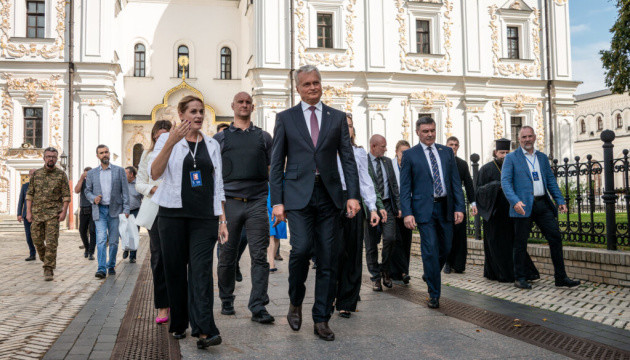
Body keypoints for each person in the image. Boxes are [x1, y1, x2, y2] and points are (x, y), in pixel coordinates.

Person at [270, 65, 361, 341]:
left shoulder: (336, 118)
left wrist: (353, 195)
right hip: (297, 196)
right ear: (298, 88)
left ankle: (321, 318)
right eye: (306, 84)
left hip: (330, 196)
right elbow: (276, 163)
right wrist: (277, 202)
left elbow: (347, 158)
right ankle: (295, 300)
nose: (312, 87)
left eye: (316, 83)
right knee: (301, 250)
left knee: (328, 258)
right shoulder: (285, 118)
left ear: (322, 85)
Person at [149, 95, 227, 348]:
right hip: (172, 215)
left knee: (201, 271)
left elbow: (218, 184)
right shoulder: (165, 139)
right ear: (181, 115)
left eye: (201, 111)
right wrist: (171, 141)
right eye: (193, 111)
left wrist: (222, 219)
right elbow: (155, 173)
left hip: (204, 217)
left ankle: (204, 329)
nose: (198, 116)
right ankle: (179, 322)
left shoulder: (213, 144)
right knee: (174, 271)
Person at [214, 92, 274, 324]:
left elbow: (272, 170)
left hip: (258, 201)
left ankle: (258, 306)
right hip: (230, 202)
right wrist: (218, 211)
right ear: (233, 105)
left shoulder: (264, 137)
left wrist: (276, 200)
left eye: (248, 102)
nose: (244, 105)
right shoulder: (220, 139)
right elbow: (214, 174)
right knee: (227, 255)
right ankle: (226, 298)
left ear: (252, 107)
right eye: (240, 101)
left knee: (260, 256)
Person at [501, 126, 581, 290]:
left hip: (542, 204)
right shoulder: (511, 158)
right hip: (522, 206)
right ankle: (520, 278)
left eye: (530, 136)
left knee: (555, 238)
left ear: (535, 137)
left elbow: (550, 181)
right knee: (520, 243)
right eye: (524, 137)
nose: (527, 139)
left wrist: (560, 200)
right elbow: (506, 183)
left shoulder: (542, 158)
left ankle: (560, 277)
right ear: (519, 139)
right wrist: (515, 201)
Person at [400, 116, 465, 309]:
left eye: (432, 131)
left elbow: (455, 182)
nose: (430, 134)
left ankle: (430, 272)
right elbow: (405, 187)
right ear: (418, 132)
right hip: (423, 209)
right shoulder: (410, 155)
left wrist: (459, 207)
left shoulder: (446, 152)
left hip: (445, 207)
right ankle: (434, 294)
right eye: (425, 131)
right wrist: (407, 212)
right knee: (430, 249)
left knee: (446, 247)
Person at [335, 113, 380, 317]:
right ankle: (330, 295)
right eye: (344, 125)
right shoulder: (327, 151)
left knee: (353, 252)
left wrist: (372, 207)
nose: (347, 129)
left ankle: (347, 301)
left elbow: (365, 181)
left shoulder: (359, 152)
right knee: (333, 252)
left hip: (354, 200)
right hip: (332, 202)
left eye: (350, 126)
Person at [476, 138, 539, 283]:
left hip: (511, 212)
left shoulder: (514, 166)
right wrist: (495, 186)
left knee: (513, 244)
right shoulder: (486, 169)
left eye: (507, 152)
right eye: (501, 152)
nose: (504, 155)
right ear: (495, 153)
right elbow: (478, 191)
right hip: (494, 213)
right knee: (496, 245)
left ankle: (519, 273)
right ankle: (500, 274)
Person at [136, 120, 172, 324]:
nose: (161, 141)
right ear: (153, 137)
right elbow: (139, 183)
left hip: (176, 208)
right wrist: (152, 189)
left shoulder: (178, 152)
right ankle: (162, 305)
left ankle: (178, 299)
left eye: (166, 137)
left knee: (176, 256)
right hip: (155, 210)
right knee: (158, 257)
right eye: (158, 137)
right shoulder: (147, 155)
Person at [85, 144, 130, 279]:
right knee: (101, 239)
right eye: (101, 153)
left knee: (115, 241)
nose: (104, 154)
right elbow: (87, 191)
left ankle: (111, 265)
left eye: (106, 152)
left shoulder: (119, 171)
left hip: (115, 210)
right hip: (100, 211)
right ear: (97, 156)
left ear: (109, 154)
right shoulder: (92, 173)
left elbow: (125, 191)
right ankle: (101, 268)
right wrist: (94, 198)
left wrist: (126, 208)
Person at [25, 147, 70, 281]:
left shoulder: (61, 175)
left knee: (51, 242)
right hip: (37, 213)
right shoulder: (37, 174)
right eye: (48, 156)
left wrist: (64, 212)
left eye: (53, 157)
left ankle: (48, 268)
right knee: (37, 240)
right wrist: (28, 211)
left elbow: (66, 195)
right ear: (44, 158)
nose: (51, 158)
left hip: (53, 214)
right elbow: (30, 194)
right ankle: (47, 260)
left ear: (56, 159)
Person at [365, 134, 401, 291]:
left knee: (390, 238)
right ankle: (375, 277)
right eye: (383, 146)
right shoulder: (363, 162)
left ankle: (384, 269)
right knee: (371, 244)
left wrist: (398, 206)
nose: (386, 149)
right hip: (370, 207)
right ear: (373, 146)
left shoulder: (387, 162)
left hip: (387, 205)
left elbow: (393, 184)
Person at [444, 136, 477, 274]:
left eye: (456, 144)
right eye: (451, 144)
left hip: (458, 204)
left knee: (459, 235)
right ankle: (447, 262)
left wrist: (473, 203)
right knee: (447, 235)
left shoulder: (462, 164)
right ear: (446, 146)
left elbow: (469, 184)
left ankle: (459, 265)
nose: (453, 147)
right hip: (444, 203)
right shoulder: (441, 162)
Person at [389, 140, 412, 284]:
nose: (404, 155)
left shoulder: (410, 166)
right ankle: (401, 271)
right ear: (396, 152)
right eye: (402, 152)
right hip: (392, 209)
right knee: (395, 240)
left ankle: (404, 270)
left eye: (407, 152)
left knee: (406, 240)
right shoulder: (390, 165)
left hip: (408, 209)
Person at [75, 167, 96, 260]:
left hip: (93, 208)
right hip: (83, 209)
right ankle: (87, 248)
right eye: (85, 174)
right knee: (82, 230)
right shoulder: (82, 182)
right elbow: (76, 190)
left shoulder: (95, 182)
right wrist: (81, 178)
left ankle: (91, 252)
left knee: (92, 231)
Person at [123, 166, 143, 263]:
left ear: (131, 174)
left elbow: (144, 197)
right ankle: (126, 248)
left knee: (134, 233)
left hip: (135, 211)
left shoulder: (139, 184)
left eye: (125, 173)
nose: (124, 175)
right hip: (124, 211)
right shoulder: (123, 184)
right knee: (124, 231)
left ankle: (132, 256)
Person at [17, 169, 37, 261]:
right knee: (29, 236)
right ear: (29, 176)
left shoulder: (41, 186)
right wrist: (19, 214)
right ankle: (32, 253)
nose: (33, 175)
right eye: (31, 174)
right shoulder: (25, 186)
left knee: (39, 236)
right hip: (26, 215)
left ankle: (43, 252)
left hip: (38, 215)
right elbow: (21, 200)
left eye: (34, 174)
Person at [267, 184, 287, 272]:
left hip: (280, 207)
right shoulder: (263, 174)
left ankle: (273, 258)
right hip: (265, 206)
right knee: (270, 234)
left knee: (277, 235)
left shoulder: (282, 174)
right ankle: (271, 264)